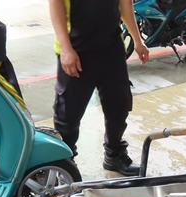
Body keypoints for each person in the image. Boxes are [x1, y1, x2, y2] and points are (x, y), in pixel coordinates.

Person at [49, 0, 149, 177]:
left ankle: (114, 154)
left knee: (118, 105)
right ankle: (65, 164)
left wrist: (137, 40)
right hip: (76, 49)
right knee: (68, 113)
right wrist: (66, 49)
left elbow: (125, 3)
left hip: (111, 49)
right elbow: (56, 5)